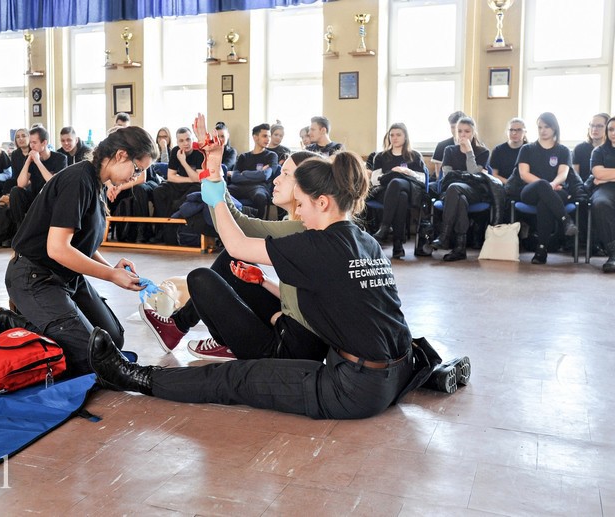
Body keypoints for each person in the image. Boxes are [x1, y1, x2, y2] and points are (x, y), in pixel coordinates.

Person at [89, 115, 471, 420]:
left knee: (234, 379)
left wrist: (216, 173)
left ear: (323, 202)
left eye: (301, 201)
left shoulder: (315, 244)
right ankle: (432, 374)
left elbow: (236, 242)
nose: (298, 211)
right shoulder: (365, 241)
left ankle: (131, 376)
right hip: (398, 373)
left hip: (353, 389)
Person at [0, 126, 158, 377]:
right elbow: (57, 249)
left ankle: (44, 321)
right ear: (121, 155)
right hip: (34, 277)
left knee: (112, 340)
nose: (136, 177)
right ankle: (13, 321)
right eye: (137, 169)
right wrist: (111, 276)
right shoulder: (79, 179)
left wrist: (111, 268)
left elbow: (80, 244)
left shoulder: (97, 182)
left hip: (67, 278)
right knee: (93, 358)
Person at [139, 150, 318, 359]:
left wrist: (215, 181)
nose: (277, 179)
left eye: (286, 174)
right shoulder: (301, 227)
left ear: (305, 186)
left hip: (288, 344)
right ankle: (180, 327)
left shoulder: (299, 229)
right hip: (296, 334)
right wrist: (263, 282)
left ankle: (208, 335)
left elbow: (238, 233)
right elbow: (300, 299)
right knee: (231, 261)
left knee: (200, 279)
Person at [509, 112, 578, 264]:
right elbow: (524, 174)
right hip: (530, 191)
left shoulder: (563, 150)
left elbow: (563, 174)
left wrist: (551, 185)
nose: (543, 130)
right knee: (541, 186)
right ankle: (565, 219)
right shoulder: (527, 149)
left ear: (554, 128)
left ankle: (541, 250)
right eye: (540, 127)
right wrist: (547, 185)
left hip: (556, 191)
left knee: (544, 203)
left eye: (547, 127)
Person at [432, 116, 492, 262]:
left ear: (473, 133)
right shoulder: (449, 150)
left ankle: (445, 236)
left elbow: (475, 176)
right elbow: (447, 175)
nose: (463, 135)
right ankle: (459, 248)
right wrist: (464, 176)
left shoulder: (483, 151)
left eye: (467, 131)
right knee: (459, 198)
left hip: (474, 191)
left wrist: (469, 153)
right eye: (460, 131)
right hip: (452, 191)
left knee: (456, 188)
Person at [370, 123, 428, 259]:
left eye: (398, 135)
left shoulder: (414, 155)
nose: (394, 138)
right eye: (392, 135)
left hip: (411, 189)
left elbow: (422, 180)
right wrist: (392, 172)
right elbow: (374, 180)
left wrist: (406, 171)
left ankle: (384, 228)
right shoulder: (381, 156)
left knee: (397, 183)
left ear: (405, 137)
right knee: (400, 197)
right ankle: (397, 246)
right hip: (385, 192)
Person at [151, 127, 205, 244]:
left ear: (192, 139)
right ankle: (164, 227)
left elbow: (199, 179)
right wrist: (191, 179)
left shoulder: (199, 152)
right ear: (177, 142)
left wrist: (184, 162)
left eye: (188, 139)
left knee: (195, 189)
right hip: (182, 183)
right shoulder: (176, 151)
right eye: (181, 141)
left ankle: (172, 227)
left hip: (195, 187)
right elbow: (171, 177)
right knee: (158, 191)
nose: (186, 143)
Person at [9, 126, 68, 229]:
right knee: (15, 191)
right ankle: (20, 230)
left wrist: (38, 161)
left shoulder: (60, 159)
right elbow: (20, 184)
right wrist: (28, 161)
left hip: (50, 199)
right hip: (35, 197)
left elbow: (52, 182)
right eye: (30, 142)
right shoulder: (31, 159)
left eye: (34, 142)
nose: (31, 146)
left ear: (44, 143)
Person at [228, 123, 279, 218]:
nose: (268, 139)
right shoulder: (243, 156)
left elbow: (265, 175)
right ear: (255, 137)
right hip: (239, 187)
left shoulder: (272, 156)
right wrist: (257, 174)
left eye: (269, 136)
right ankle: (234, 218)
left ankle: (257, 225)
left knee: (260, 196)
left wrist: (244, 173)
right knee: (223, 192)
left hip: (259, 187)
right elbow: (234, 177)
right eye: (264, 136)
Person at [590, 116, 615, 272]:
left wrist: (606, 176)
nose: (614, 133)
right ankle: (613, 254)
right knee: (600, 203)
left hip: (606, 183)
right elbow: (597, 173)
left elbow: (602, 175)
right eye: (611, 129)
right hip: (605, 190)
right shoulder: (599, 151)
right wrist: (602, 177)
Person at [489, 117, 528, 185]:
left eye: (518, 130)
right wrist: (510, 184)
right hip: (504, 186)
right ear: (507, 132)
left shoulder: (529, 150)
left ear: (525, 132)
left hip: (525, 186)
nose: (514, 133)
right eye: (511, 130)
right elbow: (493, 174)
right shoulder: (498, 150)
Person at [573, 113, 609, 183]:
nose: (594, 129)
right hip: (583, 187)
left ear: (608, 128)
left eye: (599, 126)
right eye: (592, 125)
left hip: (605, 187)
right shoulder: (579, 148)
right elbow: (575, 177)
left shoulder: (611, 149)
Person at [431, 111, 466, 177]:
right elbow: (438, 174)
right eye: (452, 127)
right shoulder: (441, 145)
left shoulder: (476, 146)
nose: (455, 130)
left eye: (457, 127)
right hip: (443, 180)